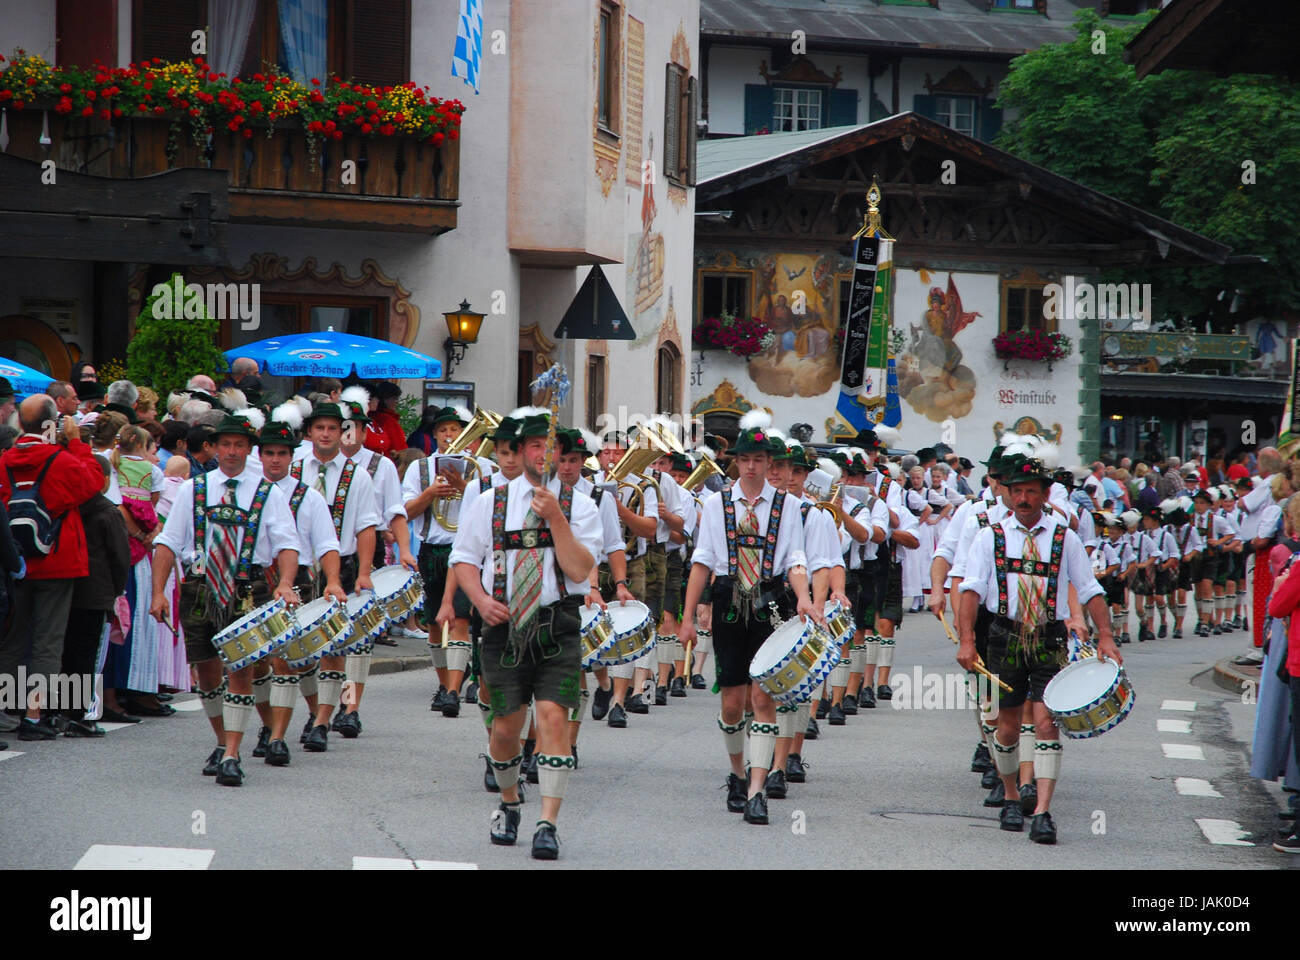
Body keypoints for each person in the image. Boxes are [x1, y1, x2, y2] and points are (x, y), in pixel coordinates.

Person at [450, 410, 603, 859]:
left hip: (558, 622)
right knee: (504, 730)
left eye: (548, 446)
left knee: (554, 718)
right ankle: (511, 802)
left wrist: (556, 517)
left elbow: (579, 569)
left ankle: (548, 823)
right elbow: (463, 558)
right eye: (532, 446)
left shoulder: (581, 506)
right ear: (519, 452)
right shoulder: (489, 501)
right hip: (504, 625)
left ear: (558, 453)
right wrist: (478, 600)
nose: (541, 454)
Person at [957, 438, 1121, 844]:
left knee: (1047, 724)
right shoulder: (989, 536)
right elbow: (971, 592)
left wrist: (1105, 635)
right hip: (1004, 635)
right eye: (1018, 491)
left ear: (1046, 494)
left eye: (1032, 491)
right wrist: (966, 641)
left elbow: (1088, 588)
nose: (1024, 498)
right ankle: (1013, 795)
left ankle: (1043, 811)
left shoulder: (1064, 538)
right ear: (1008, 495)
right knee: (1008, 727)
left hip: (1049, 638)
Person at [678, 412, 820, 826]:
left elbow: (795, 558)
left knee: (763, 697)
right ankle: (737, 773)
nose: (754, 467)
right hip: (726, 599)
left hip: (770, 602)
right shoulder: (715, 502)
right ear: (736, 463)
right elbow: (701, 562)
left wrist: (805, 598)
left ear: (770, 463)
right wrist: (688, 617)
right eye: (747, 460)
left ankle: (757, 790)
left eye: (761, 459)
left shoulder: (789, 505)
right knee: (731, 702)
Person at [150, 410, 301, 786]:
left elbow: (286, 544)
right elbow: (168, 542)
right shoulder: (192, 490)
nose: (232, 451)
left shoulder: (268, 493)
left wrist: (285, 583)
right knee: (206, 673)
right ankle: (222, 741)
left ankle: (232, 754)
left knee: (242, 669)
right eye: (226, 444)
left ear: (250, 449)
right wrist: (157, 591)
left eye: (239, 445)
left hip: (248, 588)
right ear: (214, 448)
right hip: (200, 586)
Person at [0, 397, 105, 740]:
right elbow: (93, 483)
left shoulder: (5, 460)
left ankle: (7, 714)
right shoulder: (61, 459)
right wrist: (76, 441)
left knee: (12, 639)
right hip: (57, 559)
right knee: (48, 641)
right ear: (50, 424)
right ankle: (34, 716)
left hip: (14, 560)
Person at [250, 404, 346, 766]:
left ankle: (277, 737)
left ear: (292, 456)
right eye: (269, 453)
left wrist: (333, 580)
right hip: (255, 581)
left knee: (286, 660)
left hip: (298, 582)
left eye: (282, 454)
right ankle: (271, 721)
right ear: (259, 456)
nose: (275, 460)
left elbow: (327, 544)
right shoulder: (248, 492)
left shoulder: (309, 496)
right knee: (257, 665)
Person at [290, 401, 380, 750]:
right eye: (320, 428)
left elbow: (366, 527)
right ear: (309, 432)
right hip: (298, 566)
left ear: (342, 432)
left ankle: (326, 719)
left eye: (333, 428)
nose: (326, 434)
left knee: (335, 648)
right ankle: (317, 709)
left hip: (340, 565)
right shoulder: (294, 468)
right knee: (297, 649)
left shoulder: (358, 474)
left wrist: (365, 572)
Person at [60, 456, 131, 737]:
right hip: (97, 591)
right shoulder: (107, 512)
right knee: (87, 654)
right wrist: (117, 590)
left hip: (66, 589)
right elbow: (119, 556)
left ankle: (61, 709)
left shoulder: (69, 507)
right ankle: (79, 714)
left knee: (66, 650)